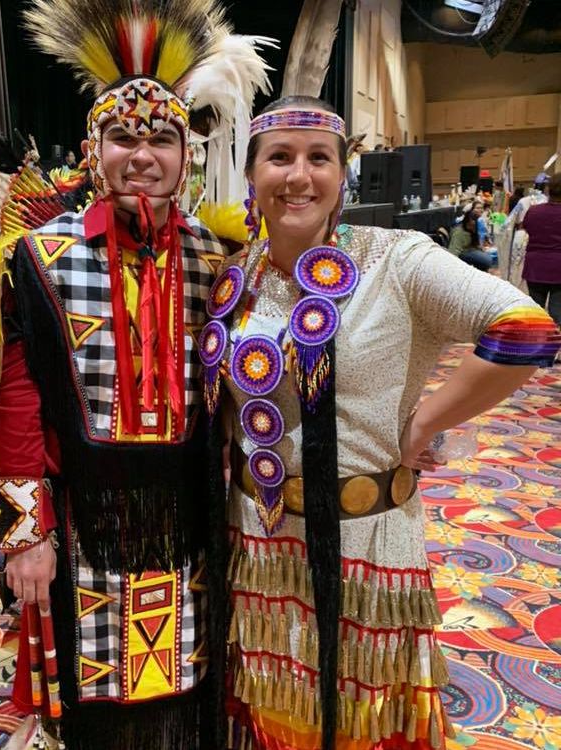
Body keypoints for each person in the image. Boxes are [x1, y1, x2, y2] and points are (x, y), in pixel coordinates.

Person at [198, 95, 560, 750]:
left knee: (364, 717)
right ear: (252, 174)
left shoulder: (396, 259)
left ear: (343, 174)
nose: (298, 175)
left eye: (319, 158)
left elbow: (526, 329)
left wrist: (427, 423)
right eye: (279, 157)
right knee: (274, 708)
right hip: (259, 543)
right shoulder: (232, 277)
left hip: (369, 545)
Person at [0, 1, 270, 748]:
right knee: (95, 705)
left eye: (161, 139)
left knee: (191, 687)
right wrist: (25, 536)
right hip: (85, 517)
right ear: (93, 149)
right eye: (122, 137)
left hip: (191, 515)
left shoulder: (219, 262)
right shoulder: (39, 258)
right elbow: (16, 404)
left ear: (187, 155)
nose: (141, 155)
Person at [521, 172, 561, 326]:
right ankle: (554, 346)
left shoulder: (534, 211)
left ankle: (532, 345)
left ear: (548, 189)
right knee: (557, 312)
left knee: (534, 310)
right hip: (559, 268)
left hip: (535, 266)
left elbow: (527, 229)